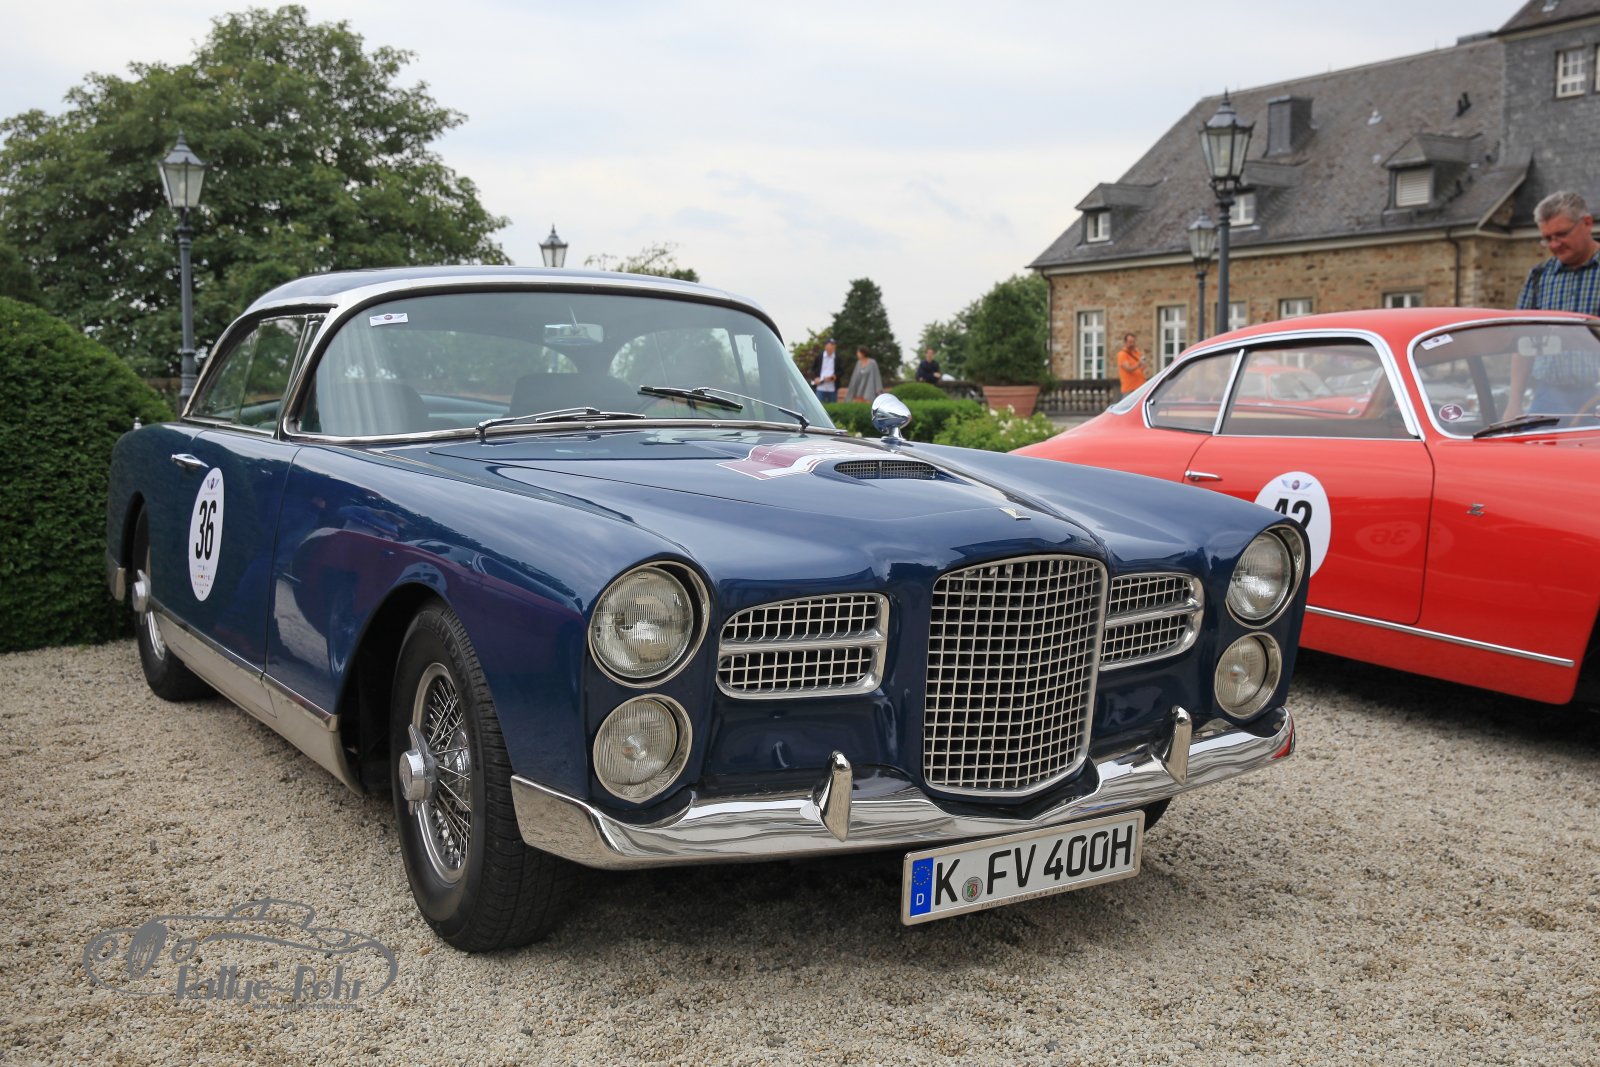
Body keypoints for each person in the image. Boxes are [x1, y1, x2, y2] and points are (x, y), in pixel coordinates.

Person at [1507, 190, 1600, 418]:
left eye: (1561, 234)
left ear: (1587, 223)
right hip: (1549, 395)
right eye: (1547, 238)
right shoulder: (1539, 276)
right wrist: (1513, 403)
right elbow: (1523, 343)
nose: (1555, 245)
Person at [810, 338, 841, 402]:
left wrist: (835, 376)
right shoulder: (819, 357)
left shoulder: (837, 358)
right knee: (818, 405)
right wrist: (815, 378)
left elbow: (841, 371)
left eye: (834, 345)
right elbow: (813, 369)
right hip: (820, 387)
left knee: (832, 407)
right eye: (831, 344)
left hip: (832, 388)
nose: (833, 346)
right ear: (826, 346)